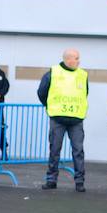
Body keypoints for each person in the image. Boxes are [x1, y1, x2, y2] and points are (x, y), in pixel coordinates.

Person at [37, 49, 88, 192]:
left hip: (76, 118)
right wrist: (50, 105)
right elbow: (42, 92)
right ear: (68, 59)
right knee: (55, 150)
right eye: (76, 58)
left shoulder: (83, 75)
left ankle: (79, 182)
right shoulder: (53, 73)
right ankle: (51, 180)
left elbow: (85, 93)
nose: (79, 61)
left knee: (78, 151)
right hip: (58, 118)